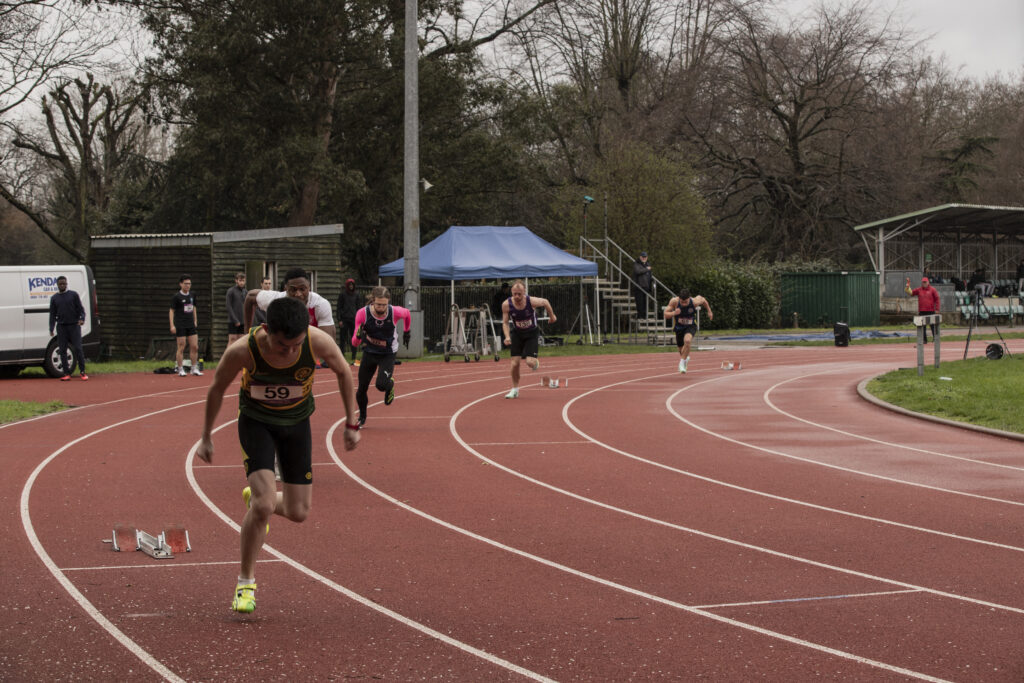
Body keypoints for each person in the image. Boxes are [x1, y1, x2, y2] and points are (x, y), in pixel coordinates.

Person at [196, 296, 360, 614]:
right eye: (283, 345)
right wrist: (206, 437)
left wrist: (351, 423)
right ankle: (245, 583)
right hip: (257, 423)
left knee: (299, 512)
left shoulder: (316, 341)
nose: (290, 352)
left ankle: (262, 501)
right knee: (263, 505)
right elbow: (216, 388)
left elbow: (343, 371)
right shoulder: (243, 350)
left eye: (297, 345)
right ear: (267, 330)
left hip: (296, 424)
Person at [350, 286, 412, 427]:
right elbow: (354, 342)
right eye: (378, 304)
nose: (381, 308)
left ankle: (390, 384)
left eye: (384, 305)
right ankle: (362, 417)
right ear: (373, 301)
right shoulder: (362, 314)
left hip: (388, 353)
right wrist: (358, 337)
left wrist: (407, 331)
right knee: (361, 389)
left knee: (381, 385)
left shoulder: (394, 312)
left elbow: (407, 314)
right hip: (370, 352)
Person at [243, 268, 336, 343]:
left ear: (309, 287)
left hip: (312, 346)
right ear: (286, 288)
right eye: (293, 290)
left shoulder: (320, 304)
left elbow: (329, 341)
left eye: (302, 289)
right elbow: (250, 296)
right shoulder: (277, 300)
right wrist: (247, 332)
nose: (298, 294)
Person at [501, 280, 556, 399]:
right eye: (514, 294)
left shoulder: (531, 301)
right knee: (514, 363)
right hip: (517, 334)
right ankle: (515, 389)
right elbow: (505, 323)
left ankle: (535, 362)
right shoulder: (506, 304)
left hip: (531, 333)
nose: (517, 296)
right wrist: (507, 336)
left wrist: (552, 316)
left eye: (519, 294)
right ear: (511, 292)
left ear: (524, 292)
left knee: (530, 362)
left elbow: (545, 302)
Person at [664, 288, 712, 374]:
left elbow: (704, 300)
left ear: (689, 298)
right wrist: (674, 313)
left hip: (690, 325)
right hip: (679, 327)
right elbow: (666, 314)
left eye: (685, 302)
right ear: (679, 298)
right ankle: (685, 358)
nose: (683, 304)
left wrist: (709, 311)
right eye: (682, 302)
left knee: (687, 341)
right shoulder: (674, 301)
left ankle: (682, 362)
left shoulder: (695, 301)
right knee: (681, 350)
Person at [48, 275, 87, 381]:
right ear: (57, 285)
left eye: (64, 283)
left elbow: (81, 310)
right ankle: (66, 373)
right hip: (61, 326)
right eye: (60, 284)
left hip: (74, 325)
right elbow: (52, 314)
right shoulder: (54, 298)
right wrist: (51, 328)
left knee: (78, 348)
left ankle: (82, 372)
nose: (62, 285)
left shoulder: (73, 295)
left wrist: (82, 319)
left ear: (66, 284)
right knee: (62, 350)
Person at [169, 274, 202, 376]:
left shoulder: (192, 295)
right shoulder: (176, 297)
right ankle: (180, 369)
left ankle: (194, 368)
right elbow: (171, 311)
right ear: (181, 284)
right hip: (180, 324)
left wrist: (195, 320)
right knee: (181, 347)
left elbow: (194, 308)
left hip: (190, 324)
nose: (188, 285)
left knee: (195, 346)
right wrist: (172, 325)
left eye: (189, 284)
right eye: (186, 284)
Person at [905, 276, 940, 343]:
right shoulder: (919, 290)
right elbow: (911, 293)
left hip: (930, 311)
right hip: (922, 311)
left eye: (925, 282)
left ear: (928, 282)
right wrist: (907, 287)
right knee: (922, 327)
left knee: (932, 326)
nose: (924, 283)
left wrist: (937, 309)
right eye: (923, 282)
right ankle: (924, 339)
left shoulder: (933, 290)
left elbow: (937, 299)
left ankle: (935, 339)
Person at [336, 278, 361, 364]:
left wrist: (359, 319)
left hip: (354, 319)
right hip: (344, 319)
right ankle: (341, 354)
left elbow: (358, 307)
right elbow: (339, 307)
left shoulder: (357, 295)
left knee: (354, 337)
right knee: (342, 338)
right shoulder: (342, 295)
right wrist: (339, 319)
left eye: (352, 285)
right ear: (347, 285)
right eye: (349, 285)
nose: (351, 286)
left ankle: (354, 355)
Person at [225, 272, 247, 346]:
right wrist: (235, 320)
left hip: (242, 320)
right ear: (236, 280)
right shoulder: (231, 291)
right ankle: (228, 354)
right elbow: (228, 306)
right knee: (232, 340)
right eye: (240, 280)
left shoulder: (245, 292)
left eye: (243, 280)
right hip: (233, 320)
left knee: (241, 340)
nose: (242, 282)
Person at [632, 252, 653, 319]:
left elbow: (650, 275)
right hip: (639, 287)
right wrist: (646, 269)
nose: (644, 258)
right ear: (640, 257)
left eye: (645, 257)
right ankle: (640, 316)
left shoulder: (648, 264)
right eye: (643, 257)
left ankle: (644, 316)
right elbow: (638, 271)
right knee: (639, 302)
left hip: (646, 286)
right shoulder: (636, 264)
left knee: (645, 303)